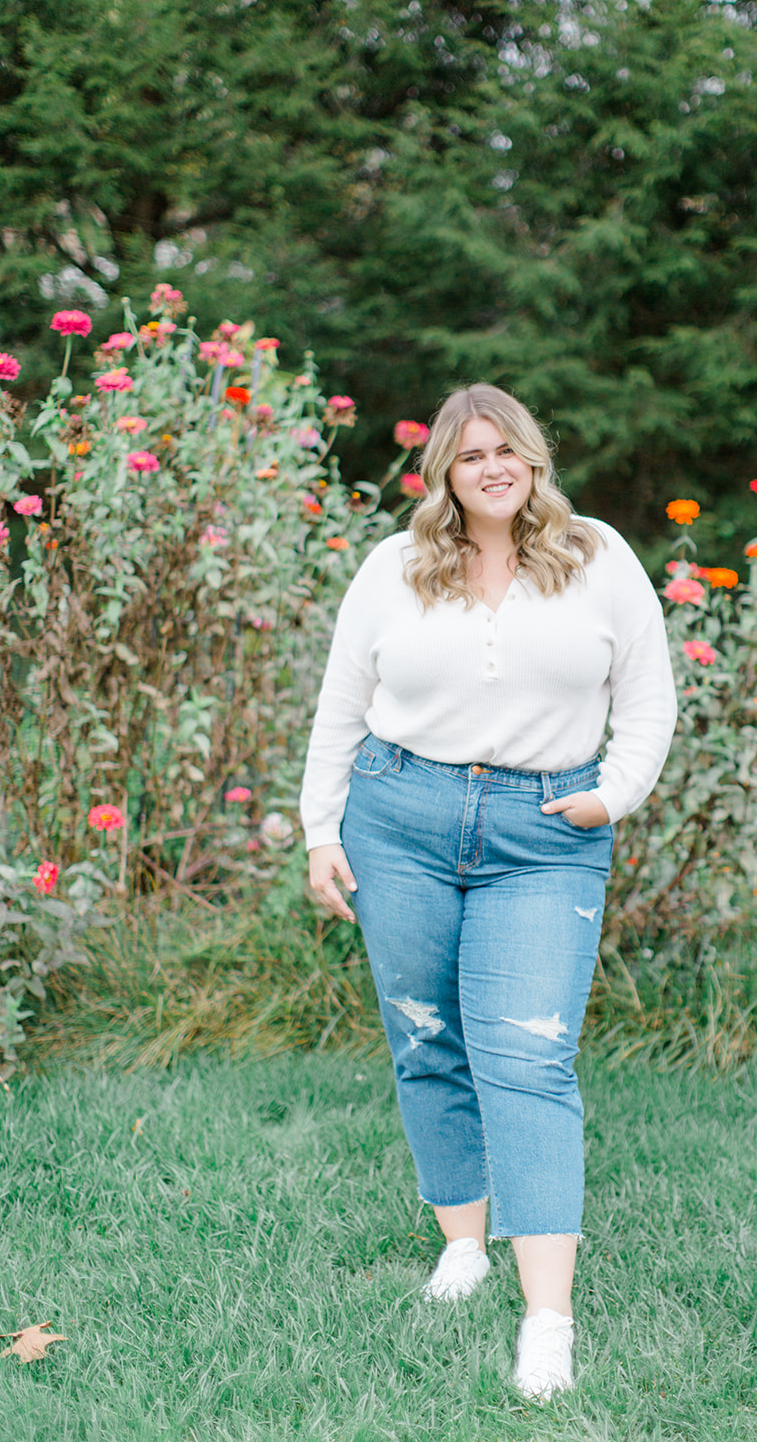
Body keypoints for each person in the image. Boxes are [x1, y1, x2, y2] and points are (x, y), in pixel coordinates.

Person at [300, 383, 676, 1401]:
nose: (492, 468)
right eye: (470, 457)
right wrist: (318, 833)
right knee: (424, 1033)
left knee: (527, 1057)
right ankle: (462, 1241)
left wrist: (610, 796)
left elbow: (646, 695)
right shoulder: (394, 567)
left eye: (506, 450)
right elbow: (341, 707)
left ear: (533, 461)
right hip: (399, 816)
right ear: (445, 477)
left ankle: (546, 1318)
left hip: (544, 835)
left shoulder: (595, 556)